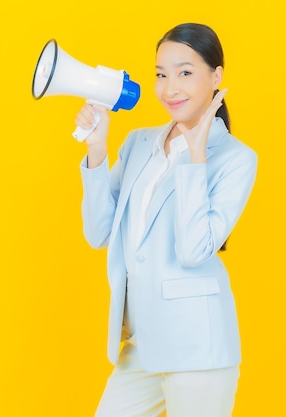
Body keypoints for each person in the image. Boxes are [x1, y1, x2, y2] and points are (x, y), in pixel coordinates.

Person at [76, 22, 258, 417]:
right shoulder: (138, 143)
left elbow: (194, 251)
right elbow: (98, 232)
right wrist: (96, 151)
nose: (169, 87)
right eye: (161, 75)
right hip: (140, 348)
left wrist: (195, 157)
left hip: (198, 351)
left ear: (216, 77)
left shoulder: (237, 158)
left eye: (185, 73)